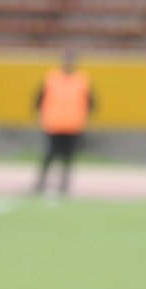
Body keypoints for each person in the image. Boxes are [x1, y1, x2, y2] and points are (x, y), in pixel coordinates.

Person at [33, 50, 94, 196]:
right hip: (53, 123)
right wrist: (41, 115)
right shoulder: (51, 78)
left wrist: (84, 117)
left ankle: (64, 185)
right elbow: (39, 99)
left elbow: (91, 102)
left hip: (73, 124)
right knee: (50, 154)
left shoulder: (82, 80)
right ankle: (41, 183)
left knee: (68, 156)